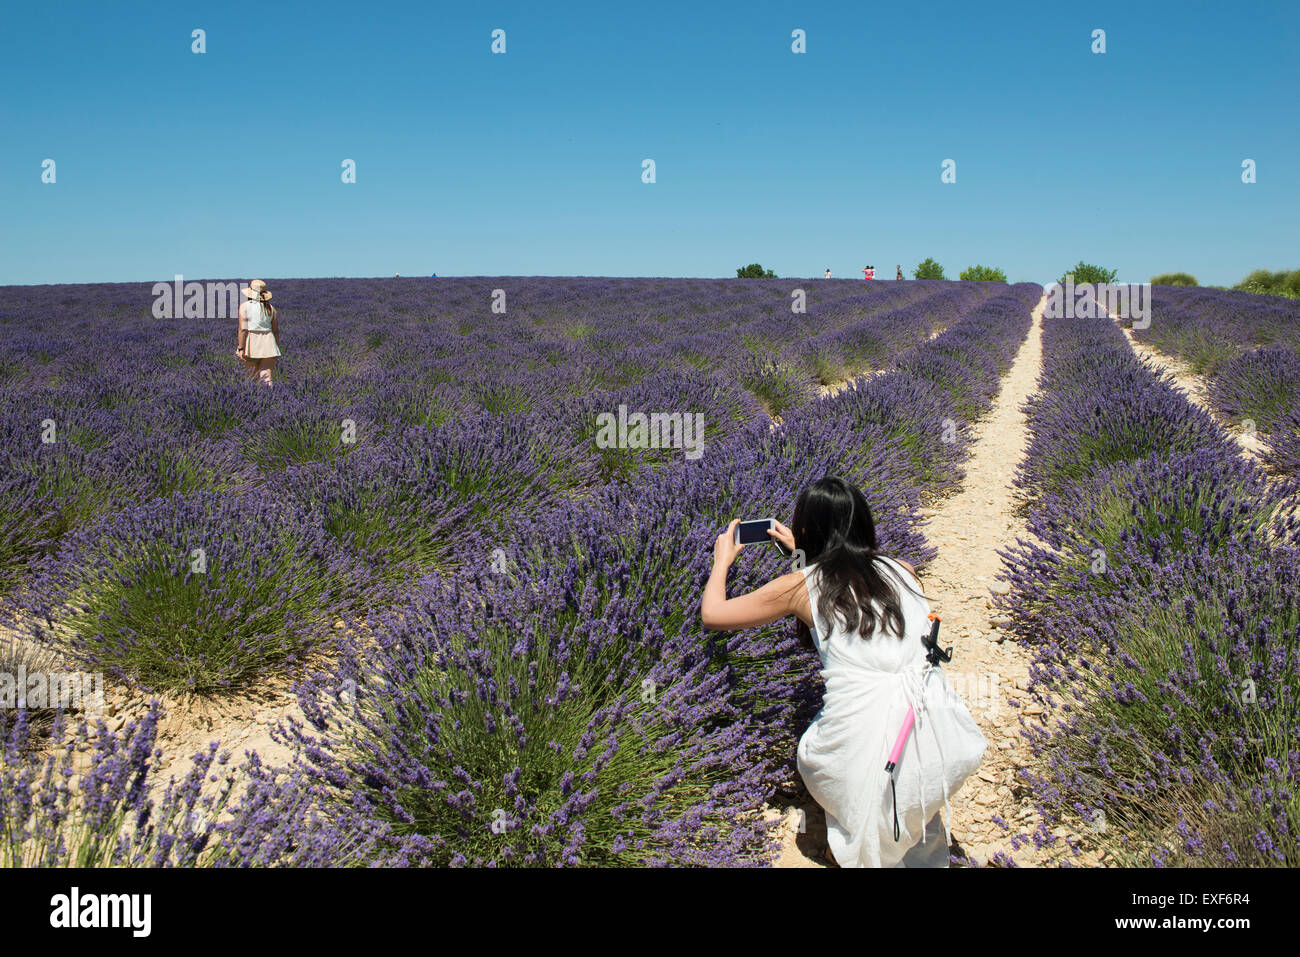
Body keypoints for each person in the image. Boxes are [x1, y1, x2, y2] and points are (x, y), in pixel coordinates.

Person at [700, 477, 986, 868]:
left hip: (862, 744)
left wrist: (722, 562)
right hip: (943, 739)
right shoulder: (903, 569)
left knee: (813, 754)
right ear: (864, 523)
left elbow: (713, 614)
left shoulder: (800, 586)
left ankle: (862, 817)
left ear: (806, 529)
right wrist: (803, 551)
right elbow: (849, 581)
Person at [237, 279, 281, 388]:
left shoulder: (244, 306)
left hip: (251, 344)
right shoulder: (271, 308)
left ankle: (254, 397)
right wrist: (275, 347)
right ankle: (271, 397)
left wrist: (241, 347)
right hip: (269, 343)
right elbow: (275, 331)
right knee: (267, 378)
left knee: (252, 378)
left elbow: (243, 329)